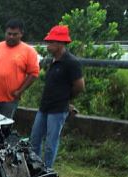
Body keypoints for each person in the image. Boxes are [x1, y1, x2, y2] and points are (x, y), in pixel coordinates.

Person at [29, 25, 85, 168]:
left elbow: (79, 86)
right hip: (44, 107)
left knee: (50, 143)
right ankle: (34, 167)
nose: (48, 45)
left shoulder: (71, 62)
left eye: (51, 42)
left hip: (58, 109)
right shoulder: (52, 60)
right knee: (34, 139)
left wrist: (66, 100)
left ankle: (47, 170)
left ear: (60, 44)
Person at [0, 19, 40, 119]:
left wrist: (20, 91)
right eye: (9, 34)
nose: (11, 37)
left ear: (21, 34)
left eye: (15, 34)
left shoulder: (29, 51)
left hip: (10, 99)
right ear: (5, 33)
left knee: (3, 128)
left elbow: (33, 74)